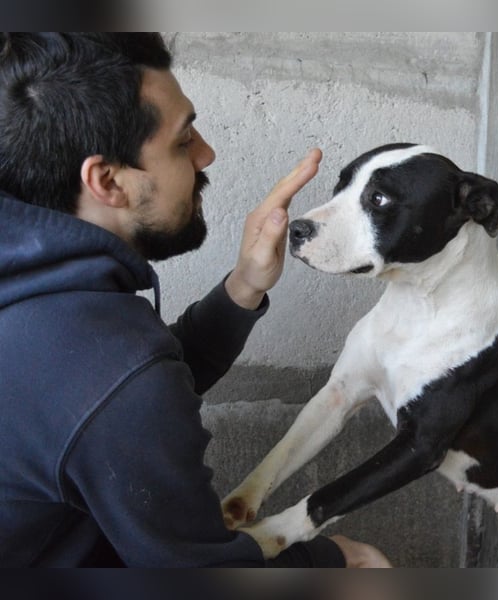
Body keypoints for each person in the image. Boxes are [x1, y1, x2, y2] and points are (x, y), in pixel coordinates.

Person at [0, 32, 390, 568]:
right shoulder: (114, 376)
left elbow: (98, 402)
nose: (206, 154)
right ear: (107, 180)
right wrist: (336, 560)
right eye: (182, 142)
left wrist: (243, 287)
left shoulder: (40, 303)